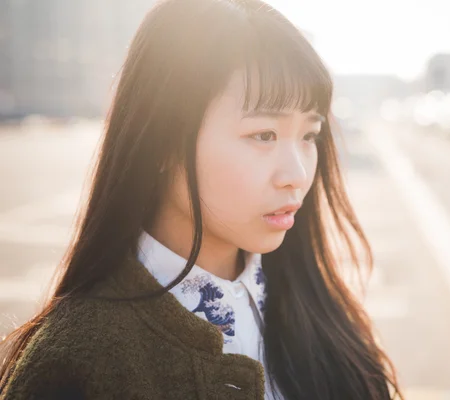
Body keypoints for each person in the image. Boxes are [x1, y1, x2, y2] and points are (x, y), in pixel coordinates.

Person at [0, 1, 402, 399]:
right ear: (161, 143)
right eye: (263, 135)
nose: (297, 175)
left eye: (309, 136)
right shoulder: (77, 361)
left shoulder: (318, 306)